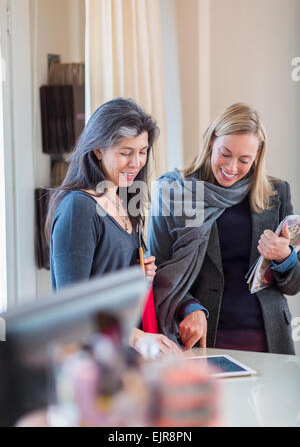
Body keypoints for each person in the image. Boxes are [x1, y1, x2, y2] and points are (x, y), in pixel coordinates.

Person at [147, 103, 300, 354]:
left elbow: (293, 286)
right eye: (225, 154)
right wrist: (189, 307)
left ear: (258, 155)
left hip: (269, 337)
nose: (231, 168)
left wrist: (285, 258)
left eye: (244, 160)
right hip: (204, 334)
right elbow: (160, 269)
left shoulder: (277, 193)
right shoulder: (176, 191)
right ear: (210, 143)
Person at [45, 97, 180, 356]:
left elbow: (107, 279)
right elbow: (73, 307)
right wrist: (137, 337)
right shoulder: (79, 208)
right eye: (125, 152)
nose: (136, 162)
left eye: (142, 151)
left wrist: (138, 275)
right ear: (97, 149)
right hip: (91, 365)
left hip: (122, 359)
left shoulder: (124, 201)